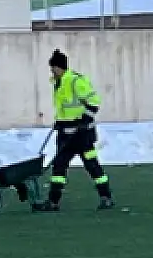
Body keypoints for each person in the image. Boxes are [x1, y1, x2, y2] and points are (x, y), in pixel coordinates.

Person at [36, 49, 115, 211]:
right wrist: (60, 122)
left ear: (61, 67)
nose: (51, 71)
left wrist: (85, 118)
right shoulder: (58, 83)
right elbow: (64, 108)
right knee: (58, 167)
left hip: (82, 135)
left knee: (92, 166)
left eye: (53, 67)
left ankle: (106, 197)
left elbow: (94, 102)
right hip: (65, 134)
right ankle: (53, 202)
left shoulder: (75, 81)